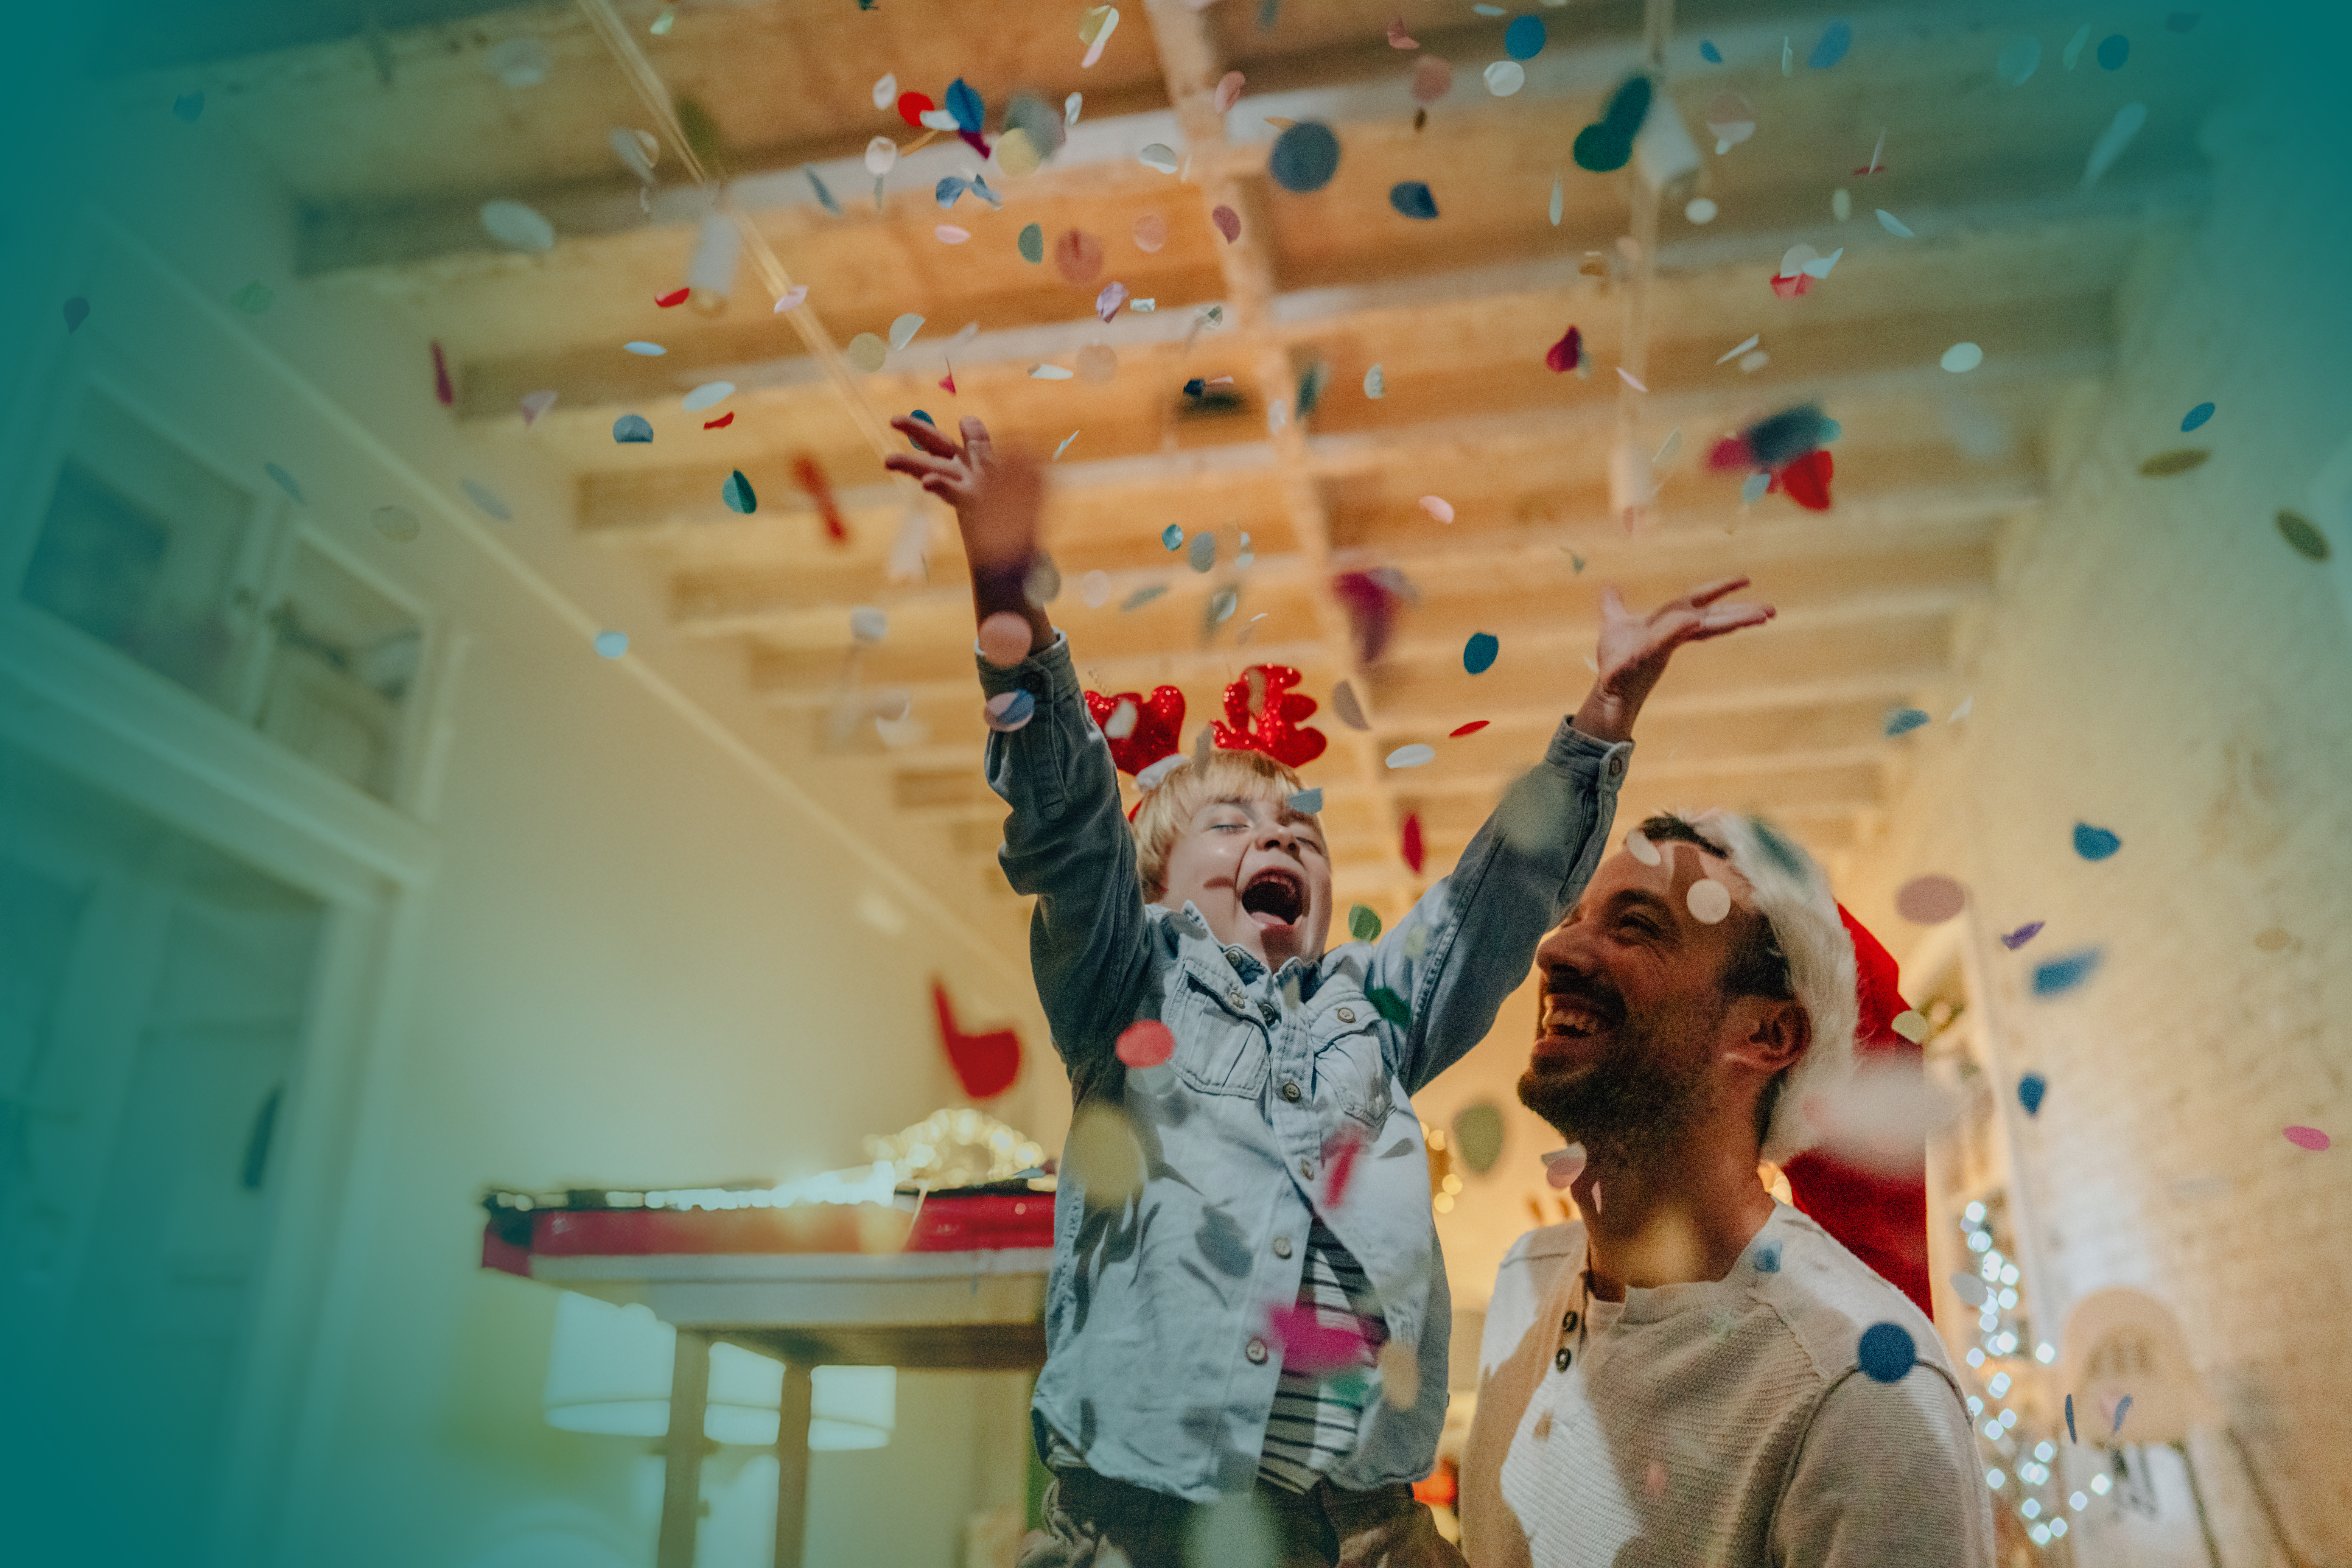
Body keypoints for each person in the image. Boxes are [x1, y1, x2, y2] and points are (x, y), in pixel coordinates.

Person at [884, 415, 1773, 1568]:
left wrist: (1601, 716)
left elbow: (1491, 903)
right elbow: (1067, 827)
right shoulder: (1129, 984)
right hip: (1144, 1526)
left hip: (1355, 1534)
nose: (1280, 839)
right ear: (1152, 890)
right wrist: (1005, 583)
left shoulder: (1369, 1012)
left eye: (1301, 833)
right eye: (1232, 825)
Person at [1459, 811, 1995, 1568]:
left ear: (1767, 1034)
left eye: (1636, 925)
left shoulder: (1861, 1388)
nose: (1555, 948)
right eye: (1575, 918)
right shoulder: (1526, 1278)